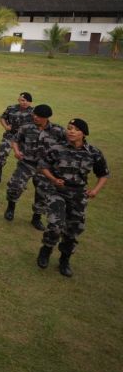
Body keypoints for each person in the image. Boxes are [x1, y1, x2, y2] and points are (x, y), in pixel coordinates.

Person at [37, 118, 109, 277]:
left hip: (78, 195)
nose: (70, 131)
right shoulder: (57, 148)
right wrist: (53, 179)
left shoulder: (93, 153)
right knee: (55, 224)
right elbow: (42, 166)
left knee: (74, 229)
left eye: (75, 129)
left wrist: (95, 190)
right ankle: (46, 250)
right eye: (69, 128)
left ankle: (65, 259)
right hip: (57, 192)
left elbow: (103, 174)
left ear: (83, 133)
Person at [3, 104, 64, 229]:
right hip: (26, 163)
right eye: (34, 115)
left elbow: (66, 146)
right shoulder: (26, 127)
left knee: (43, 193)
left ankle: (36, 218)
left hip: (45, 168)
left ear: (46, 117)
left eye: (39, 116)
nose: (35, 117)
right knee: (15, 186)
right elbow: (15, 140)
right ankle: (10, 208)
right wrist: (16, 151)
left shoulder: (58, 131)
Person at [0, 92, 34, 183]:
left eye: (24, 100)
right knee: (1, 154)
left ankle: (21, 178)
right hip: (10, 135)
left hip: (24, 138)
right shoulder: (11, 108)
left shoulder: (34, 112)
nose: (22, 102)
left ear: (30, 102)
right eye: (20, 100)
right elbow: (2, 117)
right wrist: (5, 126)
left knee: (25, 158)